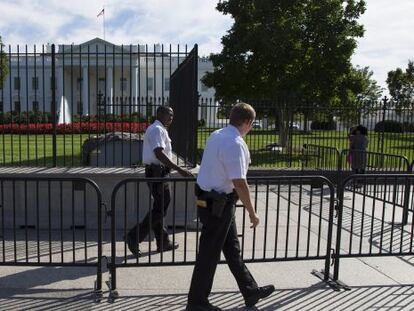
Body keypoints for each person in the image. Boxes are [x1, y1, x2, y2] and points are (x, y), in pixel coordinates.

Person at [186, 103, 275, 311]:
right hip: (218, 205)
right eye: (252, 124)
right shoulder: (234, 143)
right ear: (247, 122)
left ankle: (250, 291)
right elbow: (240, 182)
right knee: (209, 254)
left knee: (232, 249)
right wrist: (253, 213)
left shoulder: (217, 134)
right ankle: (197, 302)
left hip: (211, 201)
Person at [126, 106, 193, 257]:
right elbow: (159, 153)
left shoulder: (159, 128)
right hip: (157, 172)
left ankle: (163, 242)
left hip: (159, 172)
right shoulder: (157, 129)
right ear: (159, 114)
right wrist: (180, 170)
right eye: (169, 114)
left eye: (173, 115)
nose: (171, 118)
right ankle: (134, 236)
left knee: (159, 208)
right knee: (161, 207)